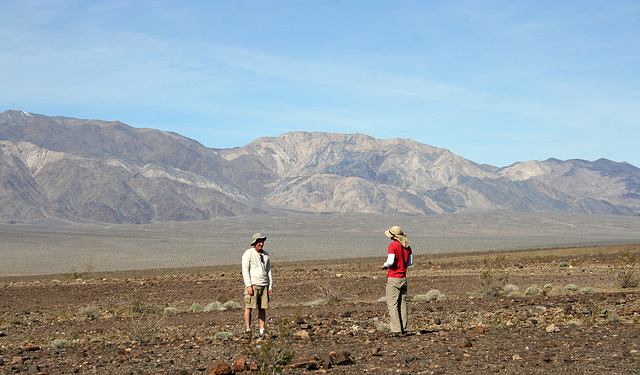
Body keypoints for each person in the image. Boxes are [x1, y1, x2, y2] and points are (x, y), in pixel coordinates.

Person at [380, 225, 413, 337]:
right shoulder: (407, 246)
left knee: (392, 304)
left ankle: (396, 330)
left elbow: (390, 261)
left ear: (393, 235)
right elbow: (410, 263)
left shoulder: (393, 245)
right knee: (402, 303)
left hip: (394, 278)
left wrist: (384, 266)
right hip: (403, 278)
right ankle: (403, 327)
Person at [242, 233, 273, 338]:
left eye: (262, 242)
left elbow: (268, 271)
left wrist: (270, 286)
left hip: (264, 284)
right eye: (259, 242)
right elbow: (245, 270)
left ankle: (262, 330)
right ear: (254, 243)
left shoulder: (266, 255)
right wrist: (248, 285)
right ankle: (248, 329)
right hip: (253, 284)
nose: (261, 244)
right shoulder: (248, 253)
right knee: (249, 307)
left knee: (262, 307)